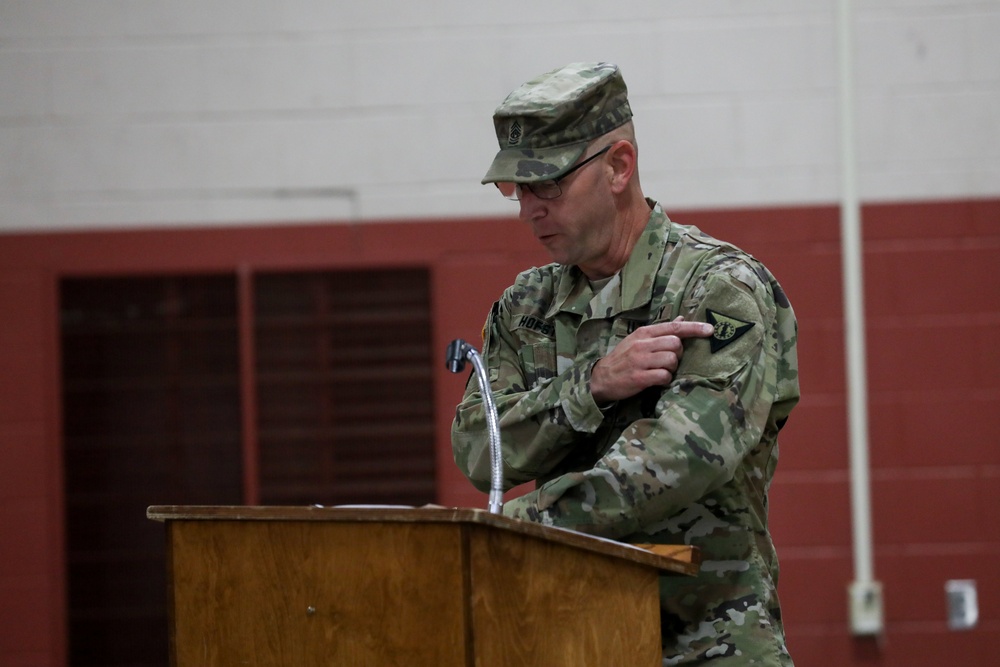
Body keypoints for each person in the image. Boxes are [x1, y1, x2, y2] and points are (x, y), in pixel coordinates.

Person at [451, 62, 800, 665]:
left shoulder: (715, 290)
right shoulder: (524, 307)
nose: (527, 210)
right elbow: (481, 452)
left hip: (707, 642)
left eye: (548, 185)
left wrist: (511, 526)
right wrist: (589, 386)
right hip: (568, 638)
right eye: (517, 189)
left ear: (618, 166)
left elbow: (678, 460)